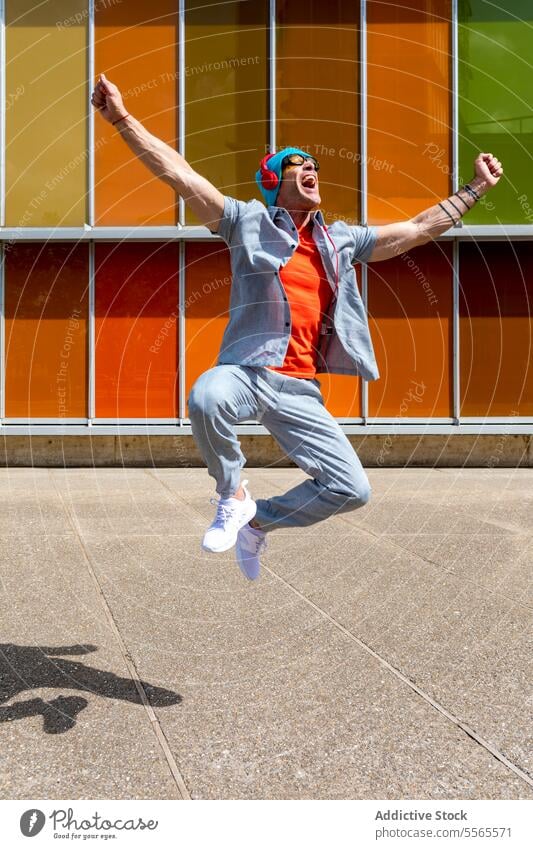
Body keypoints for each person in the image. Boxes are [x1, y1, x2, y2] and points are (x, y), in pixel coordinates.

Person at [91, 73, 503, 581]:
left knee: (352, 489)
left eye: (313, 165)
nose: (311, 169)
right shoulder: (245, 222)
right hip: (247, 371)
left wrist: (476, 189)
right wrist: (122, 120)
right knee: (206, 396)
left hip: (299, 389)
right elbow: (180, 175)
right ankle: (232, 495)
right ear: (273, 182)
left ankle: (258, 521)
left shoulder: (340, 241)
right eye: (297, 166)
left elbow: (417, 230)